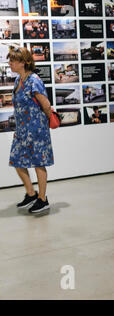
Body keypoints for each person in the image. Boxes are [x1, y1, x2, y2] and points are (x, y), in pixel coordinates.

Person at [8, 47, 53, 213]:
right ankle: (31, 193)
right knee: (17, 161)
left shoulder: (34, 80)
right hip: (21, 130)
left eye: (13, 60)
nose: (10, 63)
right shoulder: (18, 80)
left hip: (36, 129)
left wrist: (40, 125)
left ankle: (42, 199)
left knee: (38, 164)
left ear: (23, 62)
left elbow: (46, 106)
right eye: (10, 60)